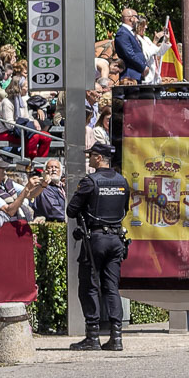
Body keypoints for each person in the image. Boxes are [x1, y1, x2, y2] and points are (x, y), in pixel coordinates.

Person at [66, 141, 130, 351]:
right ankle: (116, 337)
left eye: (92, 155)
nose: (89, 158)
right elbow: (125, 210)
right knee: (112, 287)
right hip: (115, 239)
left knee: (89, 286)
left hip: (95, 239)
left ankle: (92, 336)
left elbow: (72, 210)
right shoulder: (123, 182)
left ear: (99, 157)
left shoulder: (90, 182)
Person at [113, 8, 148, 84]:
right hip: (130, 74)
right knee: (132, 95)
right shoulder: (122, 33)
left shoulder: (130, 32)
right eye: (137, 17)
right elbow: (129, 54)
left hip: (136, 73)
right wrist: (142, 67)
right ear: (131, 18)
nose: (138, 20)